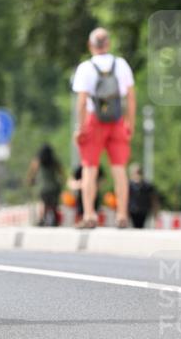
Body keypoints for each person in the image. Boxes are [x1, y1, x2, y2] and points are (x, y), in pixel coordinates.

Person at [71, 28, 136, 228]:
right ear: (108, 44)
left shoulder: (86, 68)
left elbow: (82, 102)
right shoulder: (121, 65)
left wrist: (80, 127)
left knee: (89, 169)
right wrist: (130, 124)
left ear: (90, 45)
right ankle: (122, 215)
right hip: (117, 121)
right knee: (119, 169)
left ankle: (89, 215)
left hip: (93, 121)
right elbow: (131, 98)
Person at [27, 144, 63, 226]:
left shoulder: (37, 161)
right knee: (54, 204)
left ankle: (41, 219)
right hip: (54, 187)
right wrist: (61, 181)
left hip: (43, 188)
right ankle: (55, 218)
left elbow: (31, 173)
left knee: (43, 203)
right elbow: (61, 173)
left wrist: (30, 181)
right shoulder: (54, 161)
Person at [128, 164, 157, 229]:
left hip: (143, 210)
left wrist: (155, 211)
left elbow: (153, 198)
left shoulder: (147, 185)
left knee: (141, 227)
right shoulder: (129, 185)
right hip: (131, 210)